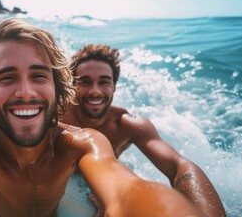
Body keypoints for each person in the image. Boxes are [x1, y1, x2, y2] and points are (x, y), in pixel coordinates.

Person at [0, 18, 202, 217]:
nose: (26, 91)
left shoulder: (83, 143)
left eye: (39, 76)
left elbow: (126, 189)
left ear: (59, 90)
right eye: (6, 78)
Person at [60, 44, 226, 217]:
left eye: (104, 82)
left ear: (114, 86)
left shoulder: (127, 125)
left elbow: (179, 167)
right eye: (85, 82)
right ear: (73, 86)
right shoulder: (58, 119)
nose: (95, 91)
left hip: (106, 178)